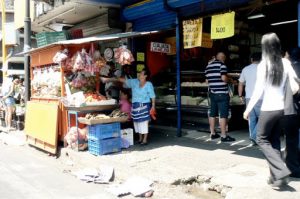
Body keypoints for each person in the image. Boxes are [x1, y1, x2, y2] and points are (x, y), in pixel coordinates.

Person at [243, 33, 299, 187]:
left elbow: (258, 91)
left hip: (269, 109)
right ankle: (276, 177)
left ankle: (280, 170)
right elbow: (295, 86)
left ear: (265, 48)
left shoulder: (263, 65)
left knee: (261, 139)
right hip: (283, 110)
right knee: (274, 141)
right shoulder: (285, 63)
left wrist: (248, 110)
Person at [103, 68, 156, 145]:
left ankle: (145, 139)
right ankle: (140, 138)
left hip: (144, 105)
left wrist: (153, 106)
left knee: (144, 123)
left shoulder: (148, 85)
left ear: (145, 76)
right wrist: (110, 79)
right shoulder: (134, 82)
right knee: (137, 123)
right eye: (140, 73)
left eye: (141, 73)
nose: (139, 74)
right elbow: (123, 80)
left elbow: (152, 96)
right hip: (135, 106)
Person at [205, 52, 235, 142]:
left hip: (212, 93)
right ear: (223, 58)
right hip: (222, 93)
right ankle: (223, 136)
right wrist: (230, 80)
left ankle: (213, 133)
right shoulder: (222, 65)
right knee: (223, 115)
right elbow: (223, 78)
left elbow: (207, 81)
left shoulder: (208, 66)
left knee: (212, 114)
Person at [281, 48, 300, 178]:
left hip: (287, 108)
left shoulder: (285, 68)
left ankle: (293, 167)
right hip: (295, 106)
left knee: (291, 140)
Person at [238, 52, 262, 146]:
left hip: (249, 97)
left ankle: (253, 138)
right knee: (263, 118)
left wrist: (240, 95)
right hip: (261, 97)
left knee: (251, 119)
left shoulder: (245, 69)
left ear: (251, 59)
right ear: (261, 59)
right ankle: (254, 136)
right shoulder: (264, 69)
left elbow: (241, 83)